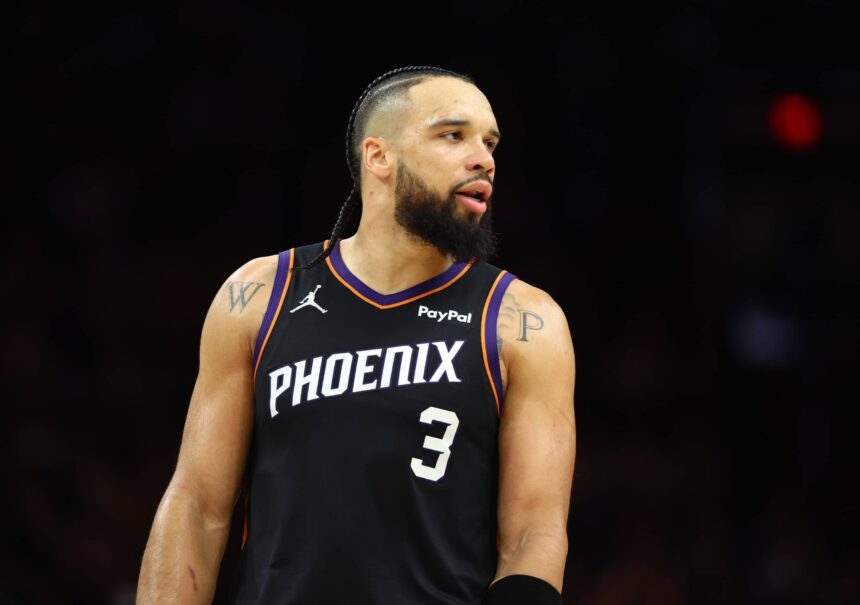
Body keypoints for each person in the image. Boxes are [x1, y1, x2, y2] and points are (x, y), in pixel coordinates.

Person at [137, 65, 577, 605]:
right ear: (378, 157)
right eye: (453, 135)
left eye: (490, 143)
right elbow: (197, 507)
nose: (483, 158)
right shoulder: (259, 293)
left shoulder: (523, 319)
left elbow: (534, 534)